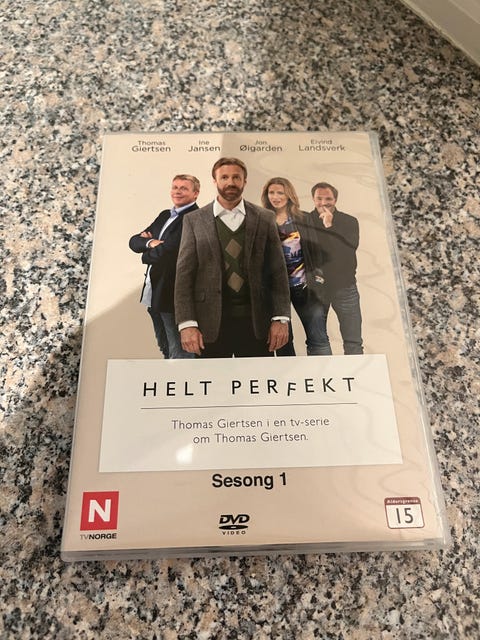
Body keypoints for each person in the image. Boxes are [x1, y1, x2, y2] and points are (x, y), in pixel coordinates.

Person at [175, 157, 290, 358]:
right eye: (224, 177)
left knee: (257, 378)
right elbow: (184, 276)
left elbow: (278, 272)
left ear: (245, 181)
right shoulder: (194, 220)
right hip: (209, 325)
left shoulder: (265, 218)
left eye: (236, 177)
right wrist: (187, 324)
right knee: (213, 379)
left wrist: (280, 318)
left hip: (257, 324)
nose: (230, 182)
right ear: (215, 181)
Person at [129, 174, 200, 358]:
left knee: (179, 352)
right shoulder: (164, 215)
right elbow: (134, 241)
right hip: (153, 293)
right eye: (175, 187)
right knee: (165, 347)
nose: (177, 191)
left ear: (196, 193)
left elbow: (169, 252)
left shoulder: (193, 218)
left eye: (184, 188)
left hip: (172, 295)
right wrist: (151, 243)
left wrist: (146, 252)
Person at [261, 177, 331, 356]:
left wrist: (319, 280)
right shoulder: (262, 221)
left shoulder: (303, 218)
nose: (275, 197)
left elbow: (316, 251)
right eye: (271, 193)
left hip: (305, 287)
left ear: (289, 195)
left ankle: (325, 371)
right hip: (277, 292)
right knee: (283, 343)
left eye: (280, 193)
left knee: (318, 339)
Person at [309, 182, 363, 355]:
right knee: (317, 342)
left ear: (335, 199)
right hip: (317, 289)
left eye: (328, 199)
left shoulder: (349, 221)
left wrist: (329, 226)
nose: (323, 203)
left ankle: (356, 372)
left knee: (353, 342)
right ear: (313, 199)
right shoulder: (305, 221)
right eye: (319, 198)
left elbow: (348, 250)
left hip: (345, 287)